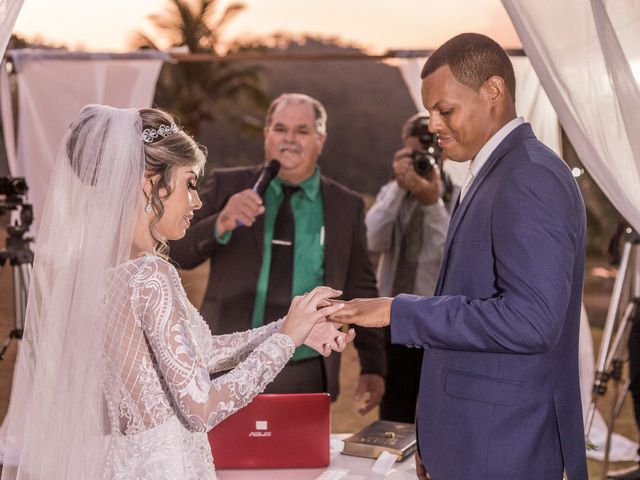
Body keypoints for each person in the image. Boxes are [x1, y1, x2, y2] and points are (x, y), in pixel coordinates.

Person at [1, 104, 355, 480]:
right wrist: (286, 340)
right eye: (189, 182)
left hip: (121, 463)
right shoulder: (149, 275)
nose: (197, 202)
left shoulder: (92, 272)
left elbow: (196, 355)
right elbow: (200, 408)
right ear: (149, 182)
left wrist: (289, 328)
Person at [330, 33, 589, 479]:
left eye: (444, 110)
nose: (433, 124)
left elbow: (531, 322)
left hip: (504, 448)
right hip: (475, 440)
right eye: (431, 112)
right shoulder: (497, 170)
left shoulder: (529, 176)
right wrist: (439, 438)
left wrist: (399, 309)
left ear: (493, 91)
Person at [170, 93, 386, 414]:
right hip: (231, 364)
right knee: (224, 463)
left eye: (302, 131)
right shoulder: (228, 184)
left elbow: (361, 287)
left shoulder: (346, 205)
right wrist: (222, 221)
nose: (289, 139)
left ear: (320, 140)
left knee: (301, 463)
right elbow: (181, 253)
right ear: (266, 134)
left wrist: (373, 367)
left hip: (307, 365)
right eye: (281, 129)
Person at [365, 113, 452, 423]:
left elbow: (450, 257)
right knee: (394, 410)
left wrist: (432, 202)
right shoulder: (393, 191)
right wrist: (401, 188)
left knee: (438, 412)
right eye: (414, 153)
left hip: (436, 318)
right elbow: (372, 239)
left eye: (429, 152)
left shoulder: (458, 193)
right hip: (393, 315)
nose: (423, 160)